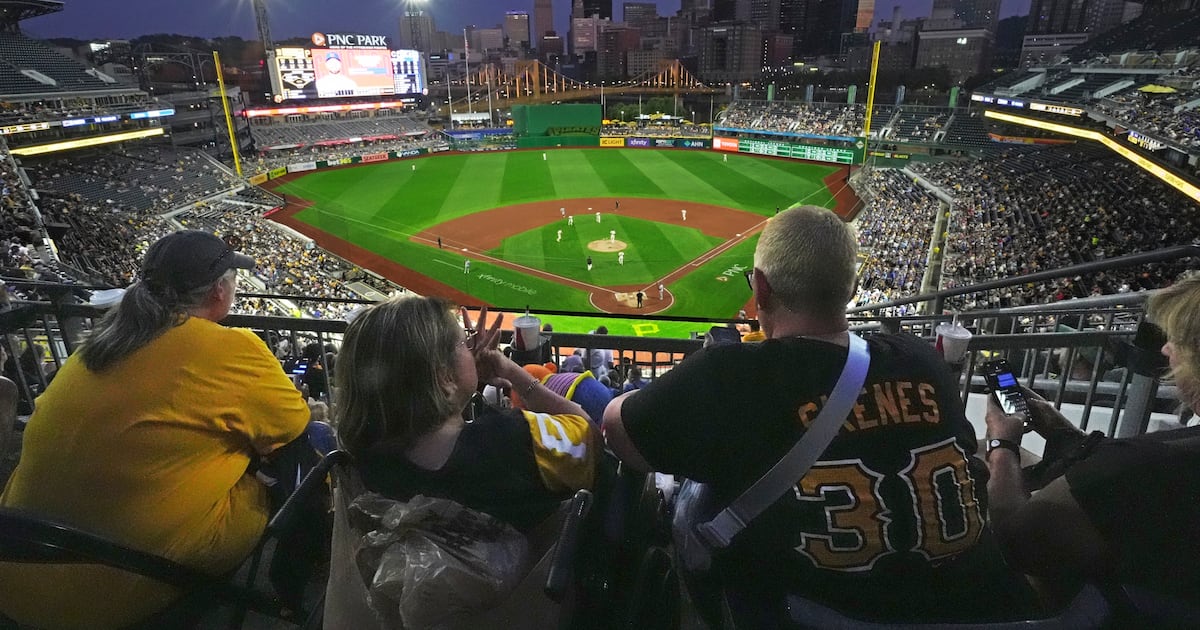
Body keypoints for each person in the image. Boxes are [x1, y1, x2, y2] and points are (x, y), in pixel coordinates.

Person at [602, 206, 1031, 626]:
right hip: (971, 611)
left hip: (802, 612)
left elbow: (616, 430)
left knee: (691, 498)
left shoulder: (731, 374)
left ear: (762, 289)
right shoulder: (924, 361)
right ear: (851, 287)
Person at [0, 231, 312, 628]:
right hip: (112, 591)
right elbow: (295, 426)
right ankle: (294, 595)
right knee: (309, 444)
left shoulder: (98, 342)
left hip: (19, 567)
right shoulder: (231, 348)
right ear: (220, 292)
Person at [983, 273, 1200, 614]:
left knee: (986, 464)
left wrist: (1001, 443)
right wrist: (1058, 429)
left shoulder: (1144, 467)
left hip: (1116, 612)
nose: (1166, 348)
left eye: (1179, 341)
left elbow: (1015, 539)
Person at [334, 297, 596, 533]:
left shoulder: (364, 465)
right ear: (444, 376)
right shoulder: (514, 436)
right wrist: (513, 372)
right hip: (531, 583)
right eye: (464, 343)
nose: (473, 349)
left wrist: (463, 382)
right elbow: (591, 435)